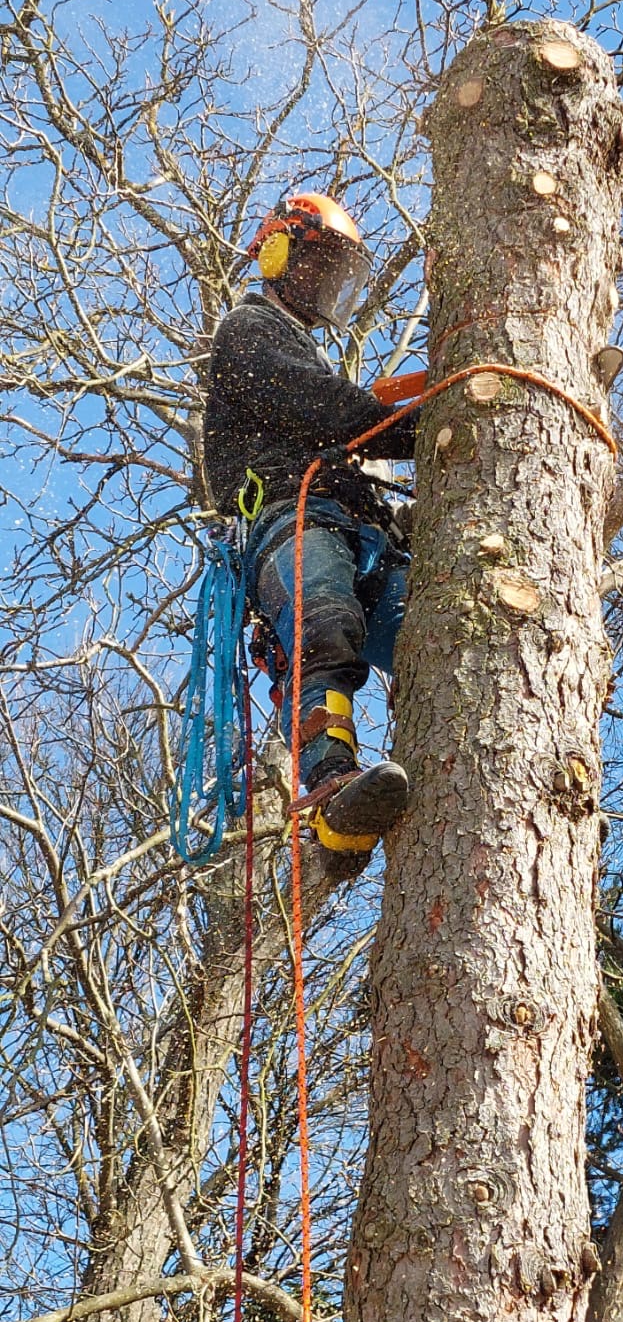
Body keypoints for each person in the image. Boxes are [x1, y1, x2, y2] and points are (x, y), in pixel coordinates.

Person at [203, 189, 419, 852]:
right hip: (286, 516)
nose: (323, 283)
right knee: (324, 620)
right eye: (315, 264)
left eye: (335, 274)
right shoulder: (248, 330)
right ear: (275, 251)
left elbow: (338, 417)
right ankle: (331, 788)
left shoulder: (306, 349)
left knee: (434, 627)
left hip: (356, 530)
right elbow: (325, 406)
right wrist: (420, 426)